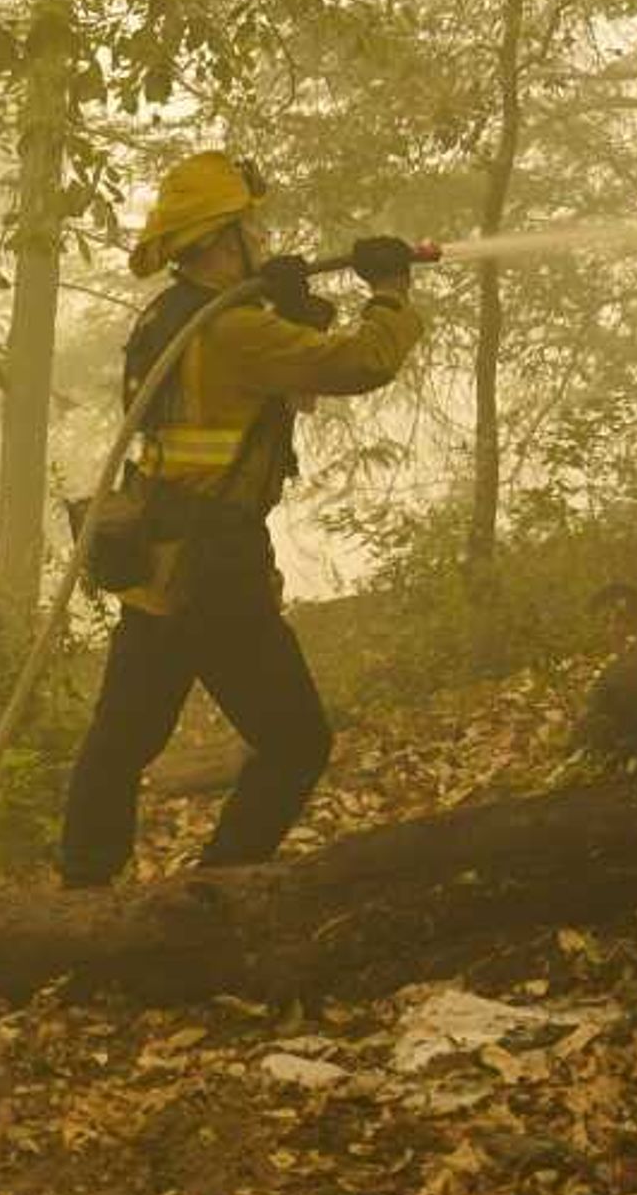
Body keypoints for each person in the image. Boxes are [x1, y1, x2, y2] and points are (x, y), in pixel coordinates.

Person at [59, 150, 424, 887]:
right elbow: (357, 364)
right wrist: (390, 292)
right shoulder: (233, 331)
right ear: (226, 240)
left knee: (121, 743)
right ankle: (217, 889)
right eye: (250, 229)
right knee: (296, 743)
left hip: (156, 569)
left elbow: (248, 395)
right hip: (213, 574)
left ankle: (81, 892)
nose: (262, 238)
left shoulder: (169, 318)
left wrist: (286, 309)